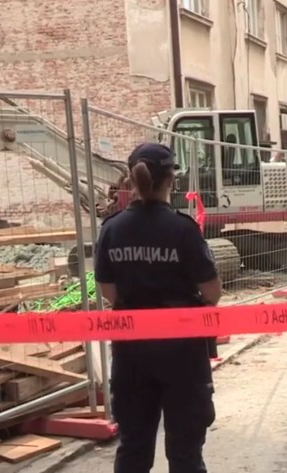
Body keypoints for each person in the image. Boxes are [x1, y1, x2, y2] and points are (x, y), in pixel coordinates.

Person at [94, 143, 223, 473]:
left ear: (131, 181)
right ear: (172, 180)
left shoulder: (112, 229)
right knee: (185, 454)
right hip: (183, 354)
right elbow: (212, 291)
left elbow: (109, 293)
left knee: (134, 450)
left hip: (131, 353)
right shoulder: (183, 229)